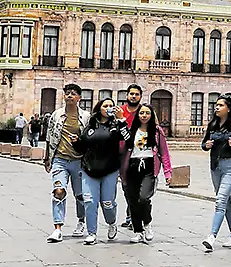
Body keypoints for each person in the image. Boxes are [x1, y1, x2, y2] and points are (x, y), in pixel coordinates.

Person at [73, 97, 130, 244]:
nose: (109, 108)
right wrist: (76, 142)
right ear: (99, 108)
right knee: (90, 201)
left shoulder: (116, 125)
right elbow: (82, 148)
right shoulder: (91, 124)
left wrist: (121, 120)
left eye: (112, 105)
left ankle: (111, 223)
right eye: (106, 105)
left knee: (107, 203)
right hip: (89, 169)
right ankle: (91, 232)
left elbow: (128, 139)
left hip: (109, 169)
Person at [201, 95, 231, 252]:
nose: (216, 107)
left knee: (220, 200)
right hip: (215, 166)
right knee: (226, 200)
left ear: (228, 108)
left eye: (220, 105)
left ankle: (212, 236)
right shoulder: (213, 124)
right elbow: (204, 143)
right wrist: (206, 145)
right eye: (216, 105)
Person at [45, 84, 90, 243]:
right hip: (60, 160)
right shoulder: (56, 115)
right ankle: (57, 228)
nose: (70, 96)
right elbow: (49, 137)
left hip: (78, 161)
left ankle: (81, 221)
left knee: (80, 195)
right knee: (58, 191)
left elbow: (89, 139)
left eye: (73, 93)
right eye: (67, 93)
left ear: (79, 98)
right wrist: (47, 158)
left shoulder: (85, 117)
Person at [122, 104, 172, 243]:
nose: (144, 115)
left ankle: (147, 224)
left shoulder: (157, 131)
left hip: (149, 166)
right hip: (132, 165)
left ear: (151, 115)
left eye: (147, 113)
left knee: (144, 197)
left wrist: (168, 173)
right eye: (141, 113)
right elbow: (123, 148)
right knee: (133, 200)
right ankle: (138, 231)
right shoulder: (132, 131)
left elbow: (164, 153)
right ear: (137, 115)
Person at [118, 84, 143, 230]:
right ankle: (130, 213)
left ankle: (134, 216)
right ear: (127, 95)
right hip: (122, 153)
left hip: (138, 152)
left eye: (136, 94)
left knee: (138, 186)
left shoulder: (144, 111)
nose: (133, 96)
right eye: (131, 94)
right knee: (126, 185)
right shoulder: (120, 111)